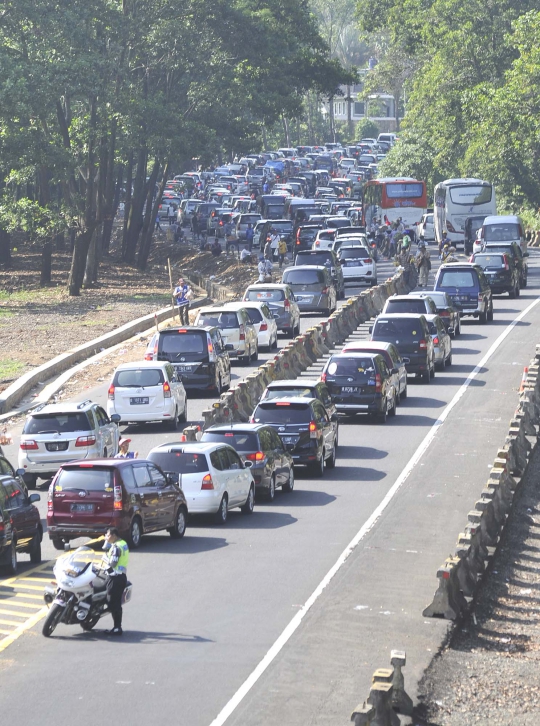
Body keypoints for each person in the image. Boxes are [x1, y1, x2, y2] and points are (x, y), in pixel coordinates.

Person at [102, 527, 129, 636]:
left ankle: (117, 627)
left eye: (108, 535)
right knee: (113, 601)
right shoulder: (122, 543)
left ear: (114, 536)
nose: (106, 537)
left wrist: (105, 559)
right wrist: (106, 541)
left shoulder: (116, 548)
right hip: (120, 576)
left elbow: (113, 563)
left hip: (115, 577)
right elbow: (104, 548)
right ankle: (117, 626)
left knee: (113, 602)